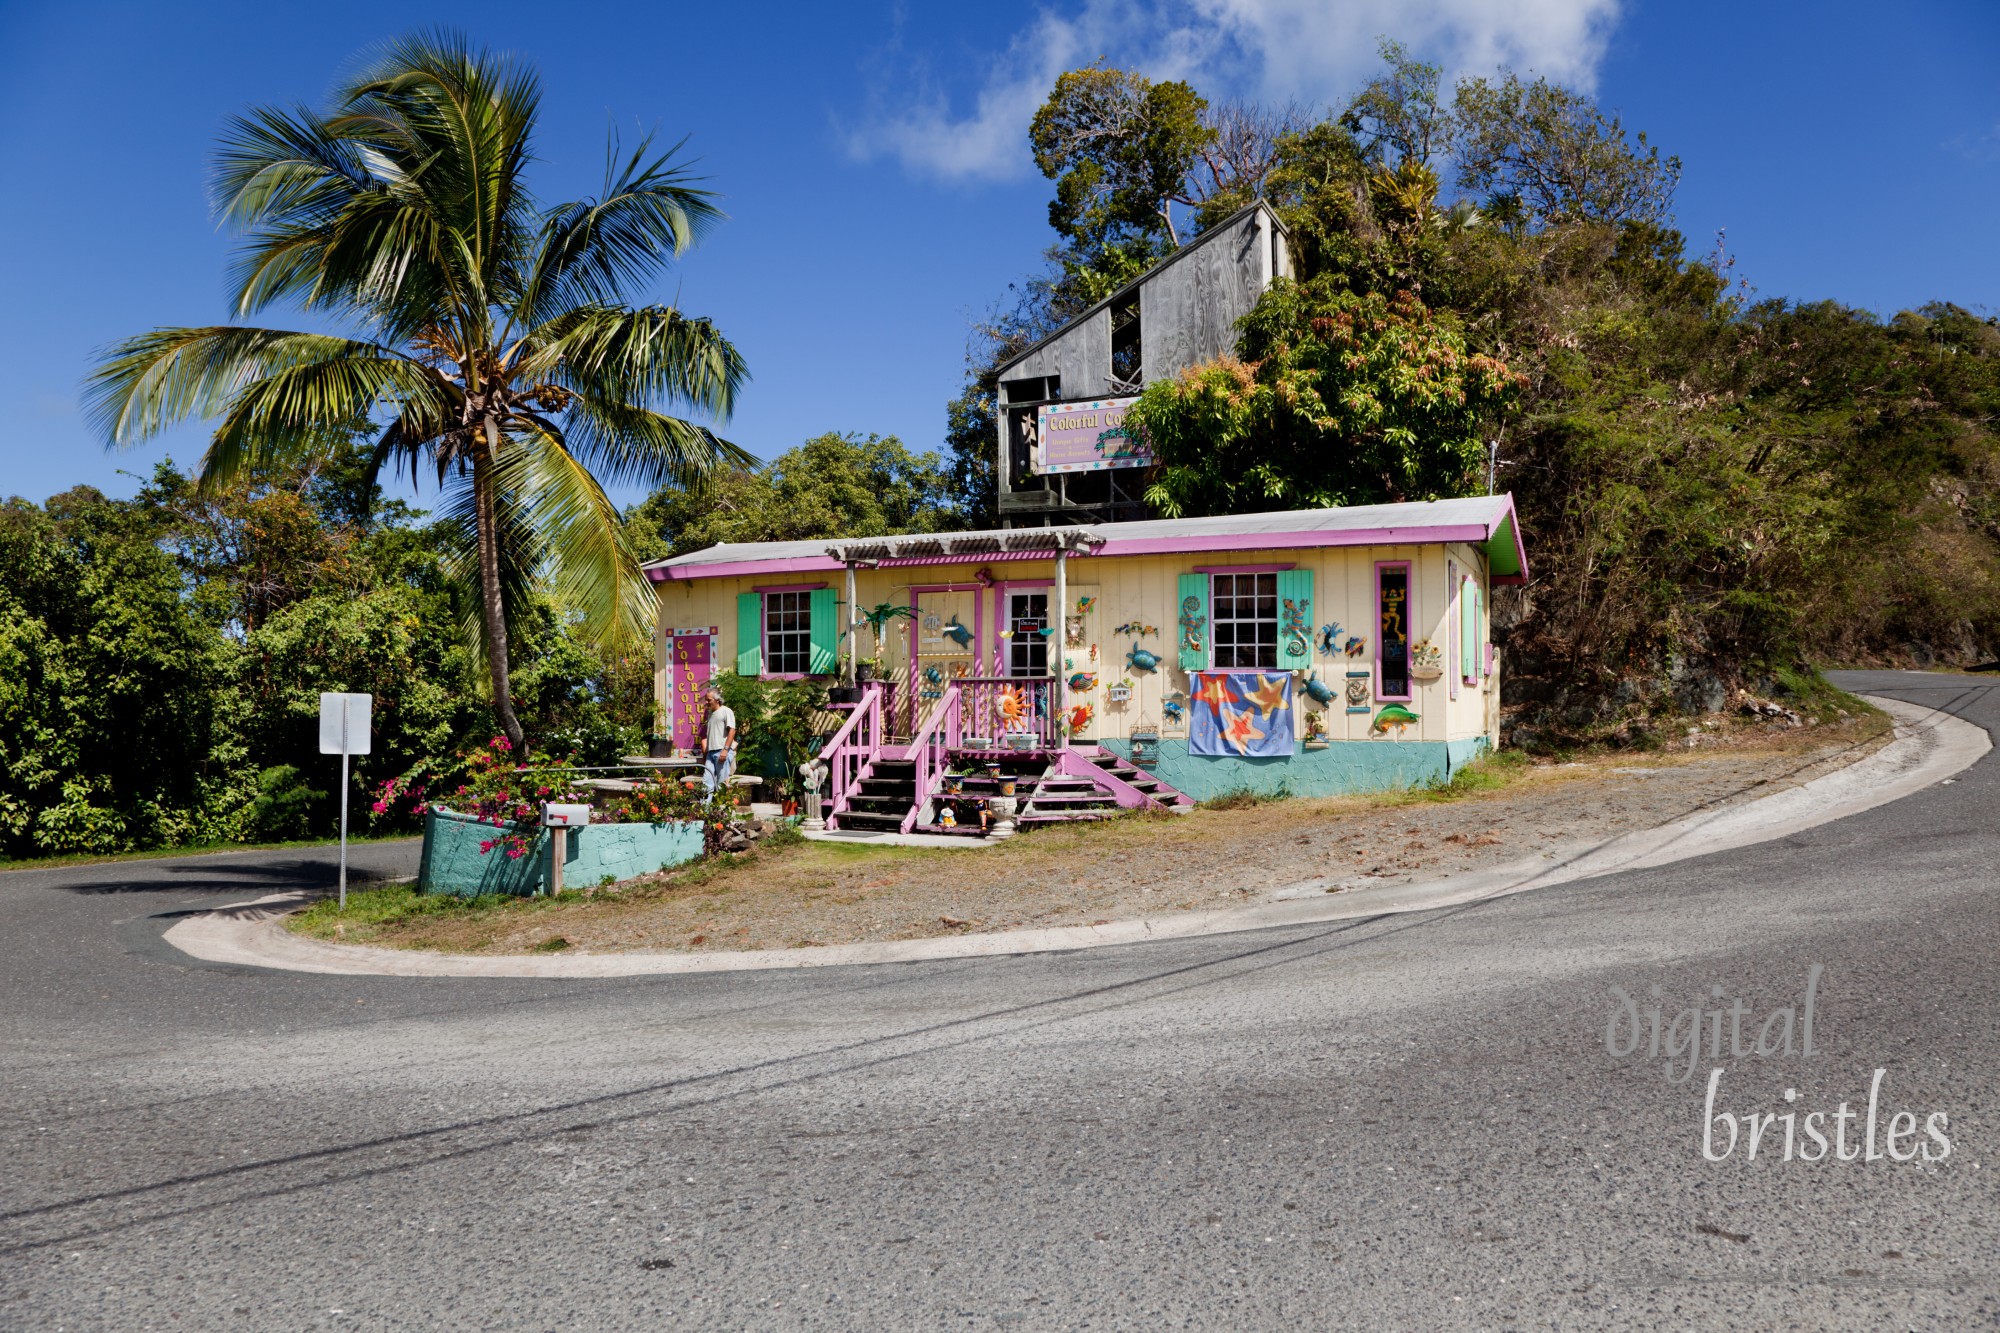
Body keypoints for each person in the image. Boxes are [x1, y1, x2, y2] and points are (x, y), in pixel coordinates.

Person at [700, 687, 737, 801]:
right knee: (706, 783)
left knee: (722, 784)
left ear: (717, 700)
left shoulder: (726, 711)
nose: (707, 702)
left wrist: (725, 750)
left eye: (709, 700)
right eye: (706, 700)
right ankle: (705, 812)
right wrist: (706, 753)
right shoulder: (711, 714)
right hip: (711, 753)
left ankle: (723, 812)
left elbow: (732, 730)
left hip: (722, 752)